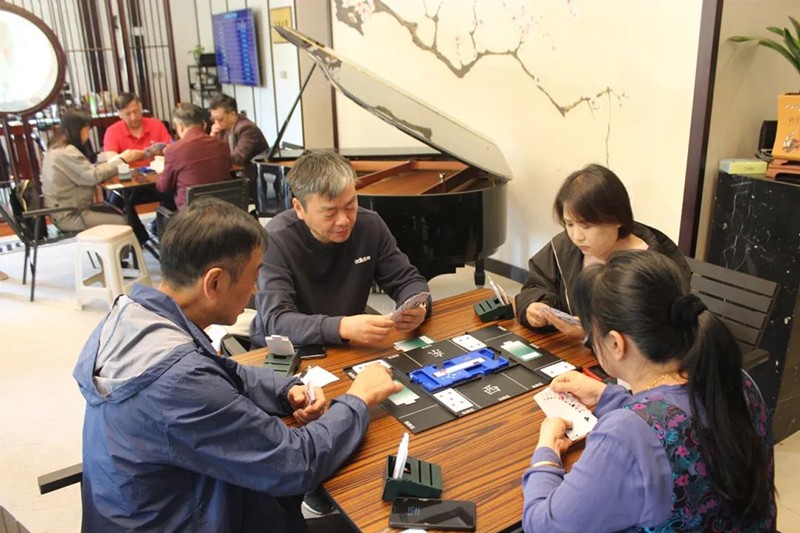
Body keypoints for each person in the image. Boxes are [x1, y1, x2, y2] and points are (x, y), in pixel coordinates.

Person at [73, 197, 402, 531]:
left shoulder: (136, 317)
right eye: (253, 275)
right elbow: (296, 462)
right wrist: (358, 398)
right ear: (214, 283)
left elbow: (224, 371)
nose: (255, 290)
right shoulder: (180, 383)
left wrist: (287, 389)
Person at [522, 251, 775, 531]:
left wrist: (546, 451)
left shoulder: (625, 435)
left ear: (616, 344)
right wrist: (608, 395)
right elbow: (674, 417)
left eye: (591, 336)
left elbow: (544, 525)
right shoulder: (734, 378)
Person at [250, 150, 431, 349]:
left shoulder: (369, 225)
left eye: (350, 206)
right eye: (330, 213)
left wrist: (417, 306)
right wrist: (341, 326)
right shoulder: (275, 240)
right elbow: (276, 321)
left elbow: (408, 280)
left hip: (348, 344)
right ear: (299, 208)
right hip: (286, 350)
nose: (344, 220)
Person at [515, 164, 690, 339]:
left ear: (617, 219)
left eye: (586, 226)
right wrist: (535, 305)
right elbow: (537, 285)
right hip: (570, 350)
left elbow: (657, 337)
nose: (576, 236)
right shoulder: (565, 246)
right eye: (569, 224)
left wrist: (592, 335)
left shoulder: (654, 268)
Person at [41, 110, 149, 243]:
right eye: (87, 130)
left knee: (119, 209)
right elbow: (93, 176)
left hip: (68, 209)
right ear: (77, 130)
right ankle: (123, 253)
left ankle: (138, 243)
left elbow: (87, 171)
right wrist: (123, 159)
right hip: (71, 214)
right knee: (122, 220)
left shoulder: (56, 148)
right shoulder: (66, 152)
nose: (87, 135)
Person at [156, 103, 230, 210]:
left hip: (191, 213)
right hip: (222, 208)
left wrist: (160, 172)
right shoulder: (222, 145)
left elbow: (164, 187)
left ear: (180, 126)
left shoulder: (174, 150)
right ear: (204, 125)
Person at [208, 93, 269, 197]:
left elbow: (238, 158)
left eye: (220, 119)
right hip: (234, 175)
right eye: (214, 119)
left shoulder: (247, 129)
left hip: (251, 178)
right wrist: (212, 136)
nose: (216, 123)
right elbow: (212, 152)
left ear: (232, 114)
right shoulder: (221, 128)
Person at [102, 92, 172, 165]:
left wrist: (161, 151)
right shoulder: (112, 131)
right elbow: (111, 160)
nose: (133, 117)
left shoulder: (157, 125)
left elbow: (170, 150)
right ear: (120, 114)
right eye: (127, 114)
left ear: (141, 108)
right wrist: (125, 158)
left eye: (135, 111)